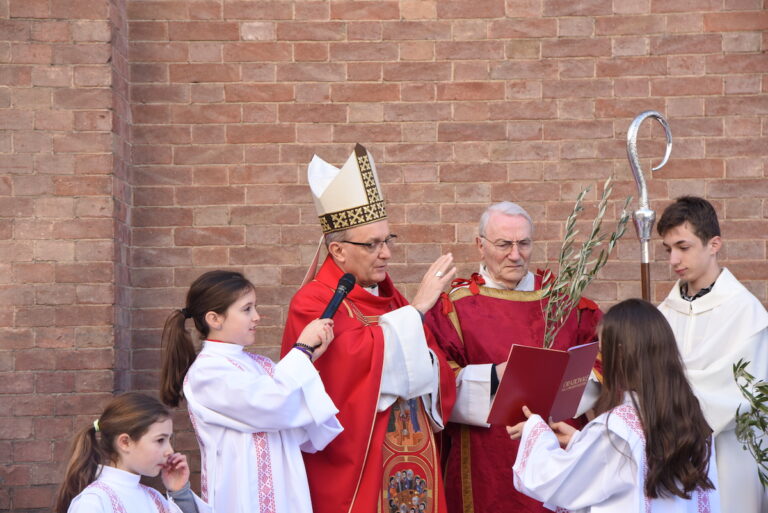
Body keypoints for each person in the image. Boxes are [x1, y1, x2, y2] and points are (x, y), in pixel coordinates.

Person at [282, 144, 457, 513]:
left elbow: (435, 366)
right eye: (373, 244)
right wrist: (419, 309)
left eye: (387, 240)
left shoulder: (394, 301)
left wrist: (417, 341)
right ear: (338, 251)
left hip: (413, 454)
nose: (387, 253)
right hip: (357, 468)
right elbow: (342, 370)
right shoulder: (314, 302)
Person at [424, 201, 602, 513]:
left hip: (557, 446)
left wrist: (561, 392)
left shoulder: (566, 302)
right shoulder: (454, 309)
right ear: (480, 245)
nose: (516, 255)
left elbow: (599, 362)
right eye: (504, 244)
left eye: (524, 243)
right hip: (486, 458)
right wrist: (495, 376)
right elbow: (438, 380)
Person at [507, 298, 720, 512]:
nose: (601, 359)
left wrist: (536, 431)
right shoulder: (688, 412)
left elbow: (559, 483)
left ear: (619, 354)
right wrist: (581, 441)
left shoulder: (619, 429)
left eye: (601, 351)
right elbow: (627, 468)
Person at [159, 270, 343, 513]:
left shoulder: (262, 365)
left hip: (287, 492)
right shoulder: (206, 373)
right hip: (242, 496)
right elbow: (273, 404)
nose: (256, 317)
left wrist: (307, 359)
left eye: (255, 307)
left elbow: (301, 427)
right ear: (215, 319)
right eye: (246, 309)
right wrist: (302, 349)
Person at [656, 196, 768, 513]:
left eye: (683, 246)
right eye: (668, 249)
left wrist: (672, 404)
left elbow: (744, 392)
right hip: (674, 455)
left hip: (730, 454)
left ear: (713, 244)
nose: (674, 259)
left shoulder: (745, 313)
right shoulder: (665, 313)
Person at [55, 392, 209, 513]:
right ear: (125, 442)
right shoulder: (93, 502)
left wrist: (180, 493)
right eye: (160, 440)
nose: (169, 451)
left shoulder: (154, 498)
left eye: (169, 440)